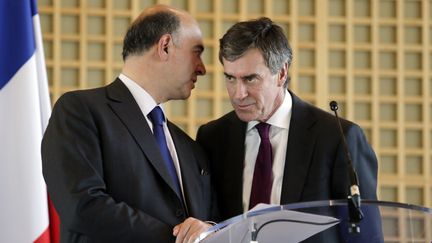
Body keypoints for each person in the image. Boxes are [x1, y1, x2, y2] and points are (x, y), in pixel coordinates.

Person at [42, 4, 216, 243]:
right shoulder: (80, 111)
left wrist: (206, 230)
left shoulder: (189, 146)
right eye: (197, 52)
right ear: (165, 46)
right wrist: (176, 237)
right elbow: (82, 206)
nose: (202, 68)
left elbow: (207, 221)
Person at [196, 17, 380, 242]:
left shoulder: (337, 138)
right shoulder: (212, 138)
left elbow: (366, 236)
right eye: (230, 78)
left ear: (281, 73)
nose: (238, 93)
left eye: (250, 79)